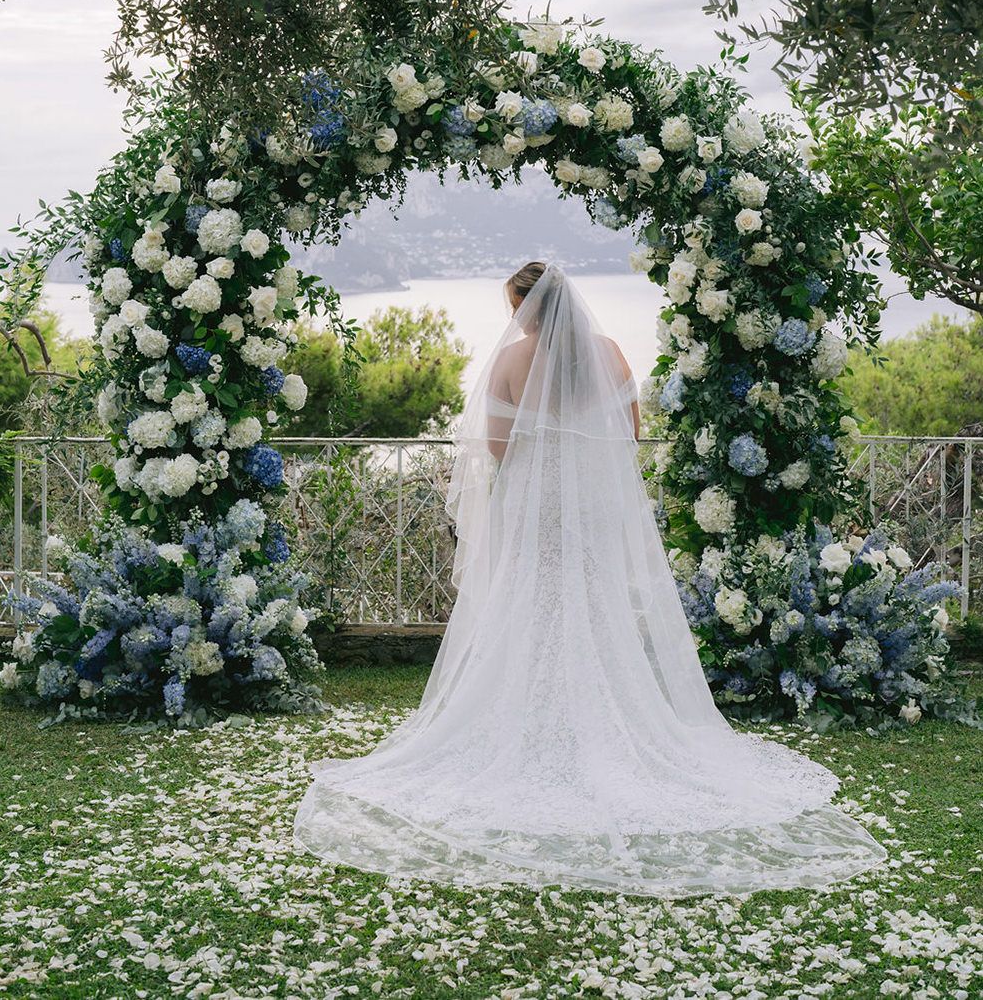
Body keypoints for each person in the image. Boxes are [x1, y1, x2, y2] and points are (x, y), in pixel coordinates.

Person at [294, 263, 887, 896]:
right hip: (596, 505)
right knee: (594, 603)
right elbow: (628, 435)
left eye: (515, 310)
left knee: (532, 604)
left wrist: (545, 460)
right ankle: (608, 719)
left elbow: (496, 447)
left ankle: (531, 722)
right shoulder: (609, 353)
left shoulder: (511, 362)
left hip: (537, 503)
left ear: (527, 310)